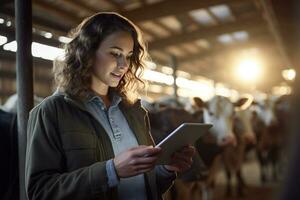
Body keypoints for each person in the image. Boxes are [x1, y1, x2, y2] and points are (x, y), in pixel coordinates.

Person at [25, 12, 195, 200]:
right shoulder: (51, 112)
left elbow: (146, 186)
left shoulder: (135, 111)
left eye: (129, 56)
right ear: (87, 51)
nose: (124, 65)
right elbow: (40, 191)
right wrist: (110, 171)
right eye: (115, 54)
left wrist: (165, 169)